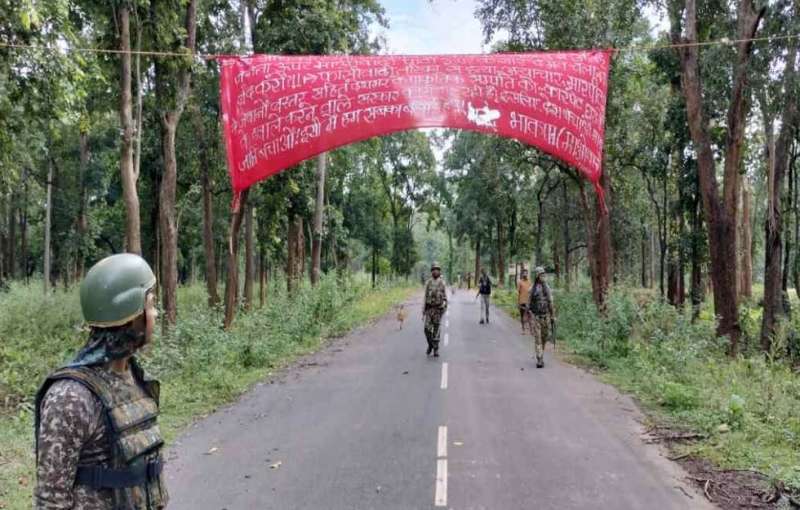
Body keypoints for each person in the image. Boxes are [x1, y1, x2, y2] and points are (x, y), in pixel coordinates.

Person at [35, 253, 168, 510]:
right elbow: (50, 501)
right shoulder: (71, 397)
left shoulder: (133, 377)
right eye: (151, 304)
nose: (156, 313)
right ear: (131, 313)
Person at [528, 266, 555, 368]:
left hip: (546, 316)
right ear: (537, 276)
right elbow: (529, 303)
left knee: (544, 337)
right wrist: (529, 315)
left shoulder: (547, 288)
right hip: (536, 317)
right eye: (541, 274)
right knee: (538, 338)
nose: (543, 276)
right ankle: (539, 359)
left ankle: (541, 354)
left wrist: (553, 316)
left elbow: (551, 303)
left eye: (543, 274)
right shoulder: (532, 288)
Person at [423, 262, 448, 357]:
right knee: (426, 329)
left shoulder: (442, 283)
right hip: (429, 309)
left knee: (436, 330)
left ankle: (436, 349)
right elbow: (425, 297)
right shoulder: (428, 282)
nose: (435, 271)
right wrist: (423, 310)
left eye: (437, 269)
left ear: (439, 271)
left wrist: (444, 309)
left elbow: (445, 298)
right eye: (433, 269)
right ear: (431, 271)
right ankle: (430, 344)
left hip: (438, 309)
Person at [516, 268, 533, 333]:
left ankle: (531, 329)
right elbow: (518, 292)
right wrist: (518, 302)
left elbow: (531, 292)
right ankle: (523, 329)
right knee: (522, 315)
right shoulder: (520, 282)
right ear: (522, 274)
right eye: (524, 273)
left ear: (527, 274)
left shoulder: (530, 282)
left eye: (526, 273)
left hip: (528, 302)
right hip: (521, 301)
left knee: (529, 316)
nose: (525, 274)